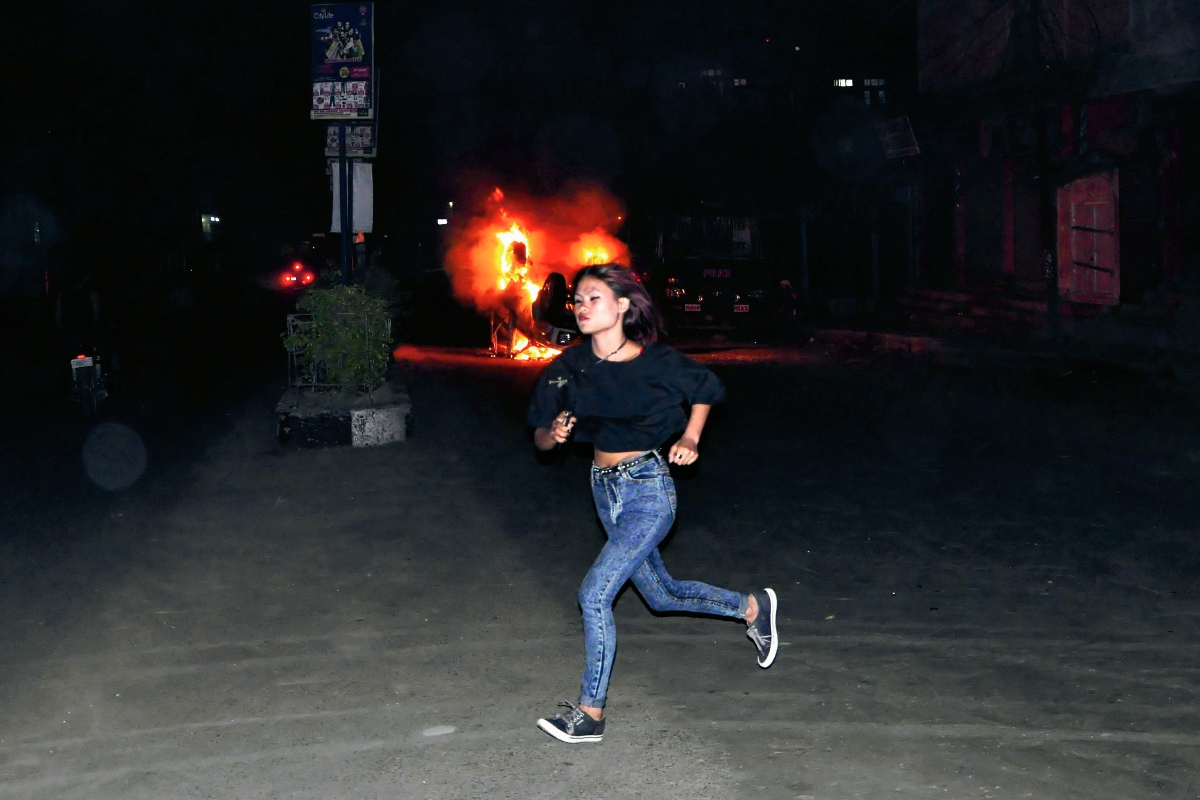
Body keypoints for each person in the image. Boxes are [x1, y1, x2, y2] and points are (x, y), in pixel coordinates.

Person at [527, 263, 778, 744]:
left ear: (622, 305)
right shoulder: (568, 369)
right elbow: (539, 439)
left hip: (647, 488)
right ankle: (751, 608)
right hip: (603, 488)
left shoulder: (657, 362)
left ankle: (590, 714)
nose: (581, 306)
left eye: (593, 297)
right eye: (577, 300)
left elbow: (705, 389)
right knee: (662, 595)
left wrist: (691, 435)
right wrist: (552, 434)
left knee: (594, 593)